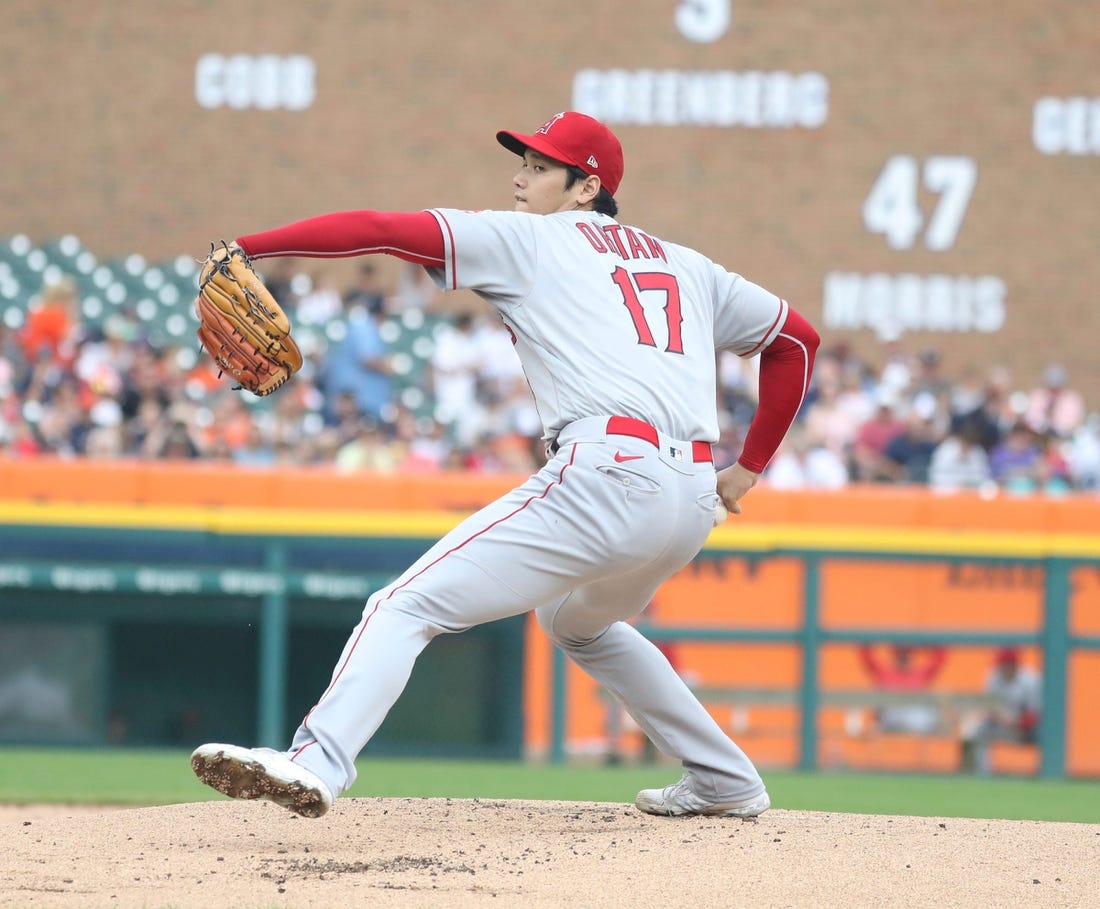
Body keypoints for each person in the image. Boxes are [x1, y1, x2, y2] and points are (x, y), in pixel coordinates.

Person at [190, 110, 820, 820]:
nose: (521, 176)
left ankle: (315, 761)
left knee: (404, 604)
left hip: (609, 473)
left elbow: (379, 227)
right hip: (689, 498)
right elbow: (796, 341)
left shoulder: (527, 239)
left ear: (587, 188)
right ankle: (725, 779)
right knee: (578, 625)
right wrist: (750, 467)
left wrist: (251, 245)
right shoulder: (688, 264)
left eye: (541, 166)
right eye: (523, 162)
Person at [960, 647, 1041, 774]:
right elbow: (988, 707)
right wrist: (998, 717)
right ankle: (982, 775)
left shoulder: (1031, 680)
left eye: (1005, 665)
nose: (1001, 669)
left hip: (1028, 729)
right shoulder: (994, 677)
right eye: (1001, 665)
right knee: (975, 730)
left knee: (1045, 733)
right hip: (1002, 725)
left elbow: (1036, 715)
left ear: (1014, 666)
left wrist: (1016, 721)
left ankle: (1045, 776)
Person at [858, 643, 948, 734]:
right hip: (891, 719)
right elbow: (867, 656)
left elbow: (940, 656)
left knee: (935, 702)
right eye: (900, 655)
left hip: (918, 721)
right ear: (895, 656)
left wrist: (925, 644)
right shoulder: (885, 674)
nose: (903, 659)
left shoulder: (921, 674)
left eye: (905, 655)